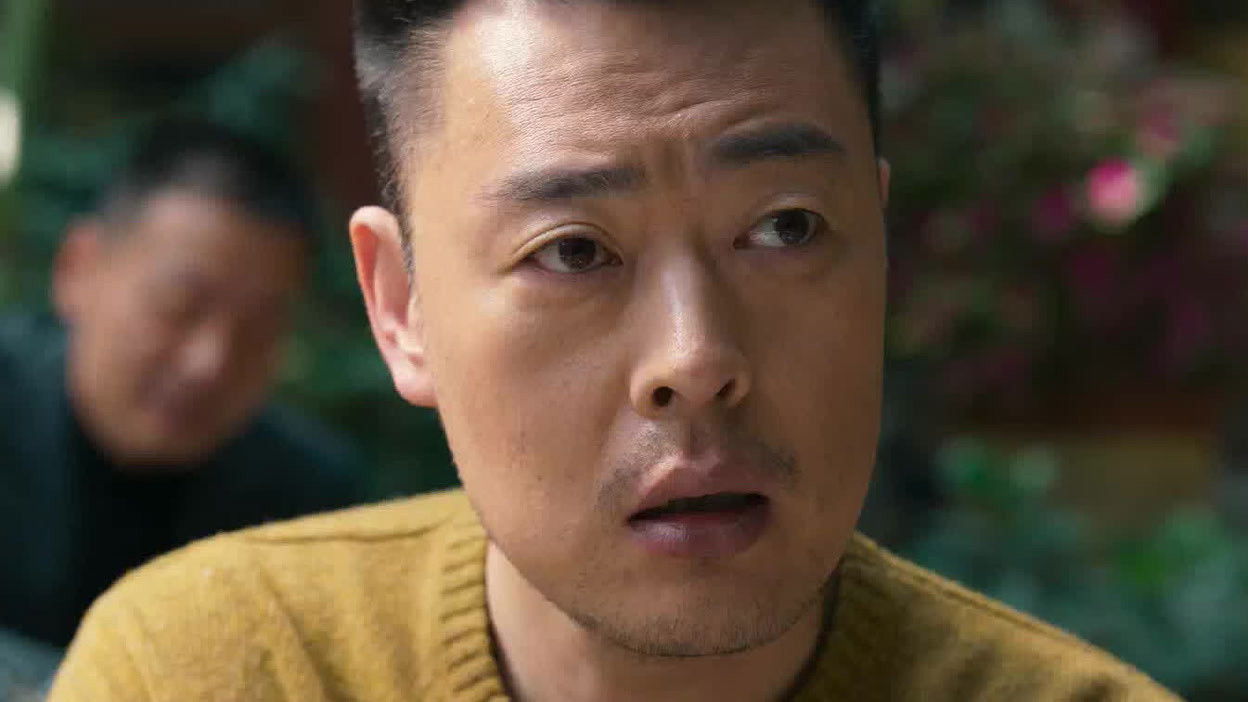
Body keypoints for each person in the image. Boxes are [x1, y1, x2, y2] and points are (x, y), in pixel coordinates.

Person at [50, 2, 1177, 700]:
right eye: (572, 251)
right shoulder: (210, 671)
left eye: (786, 227)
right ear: (402, 309)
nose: (694, 358)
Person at [0, 119, 367, 652]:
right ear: (77, 269)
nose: (209, 362)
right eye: (179, 307)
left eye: (257, 331)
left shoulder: (305, 510)